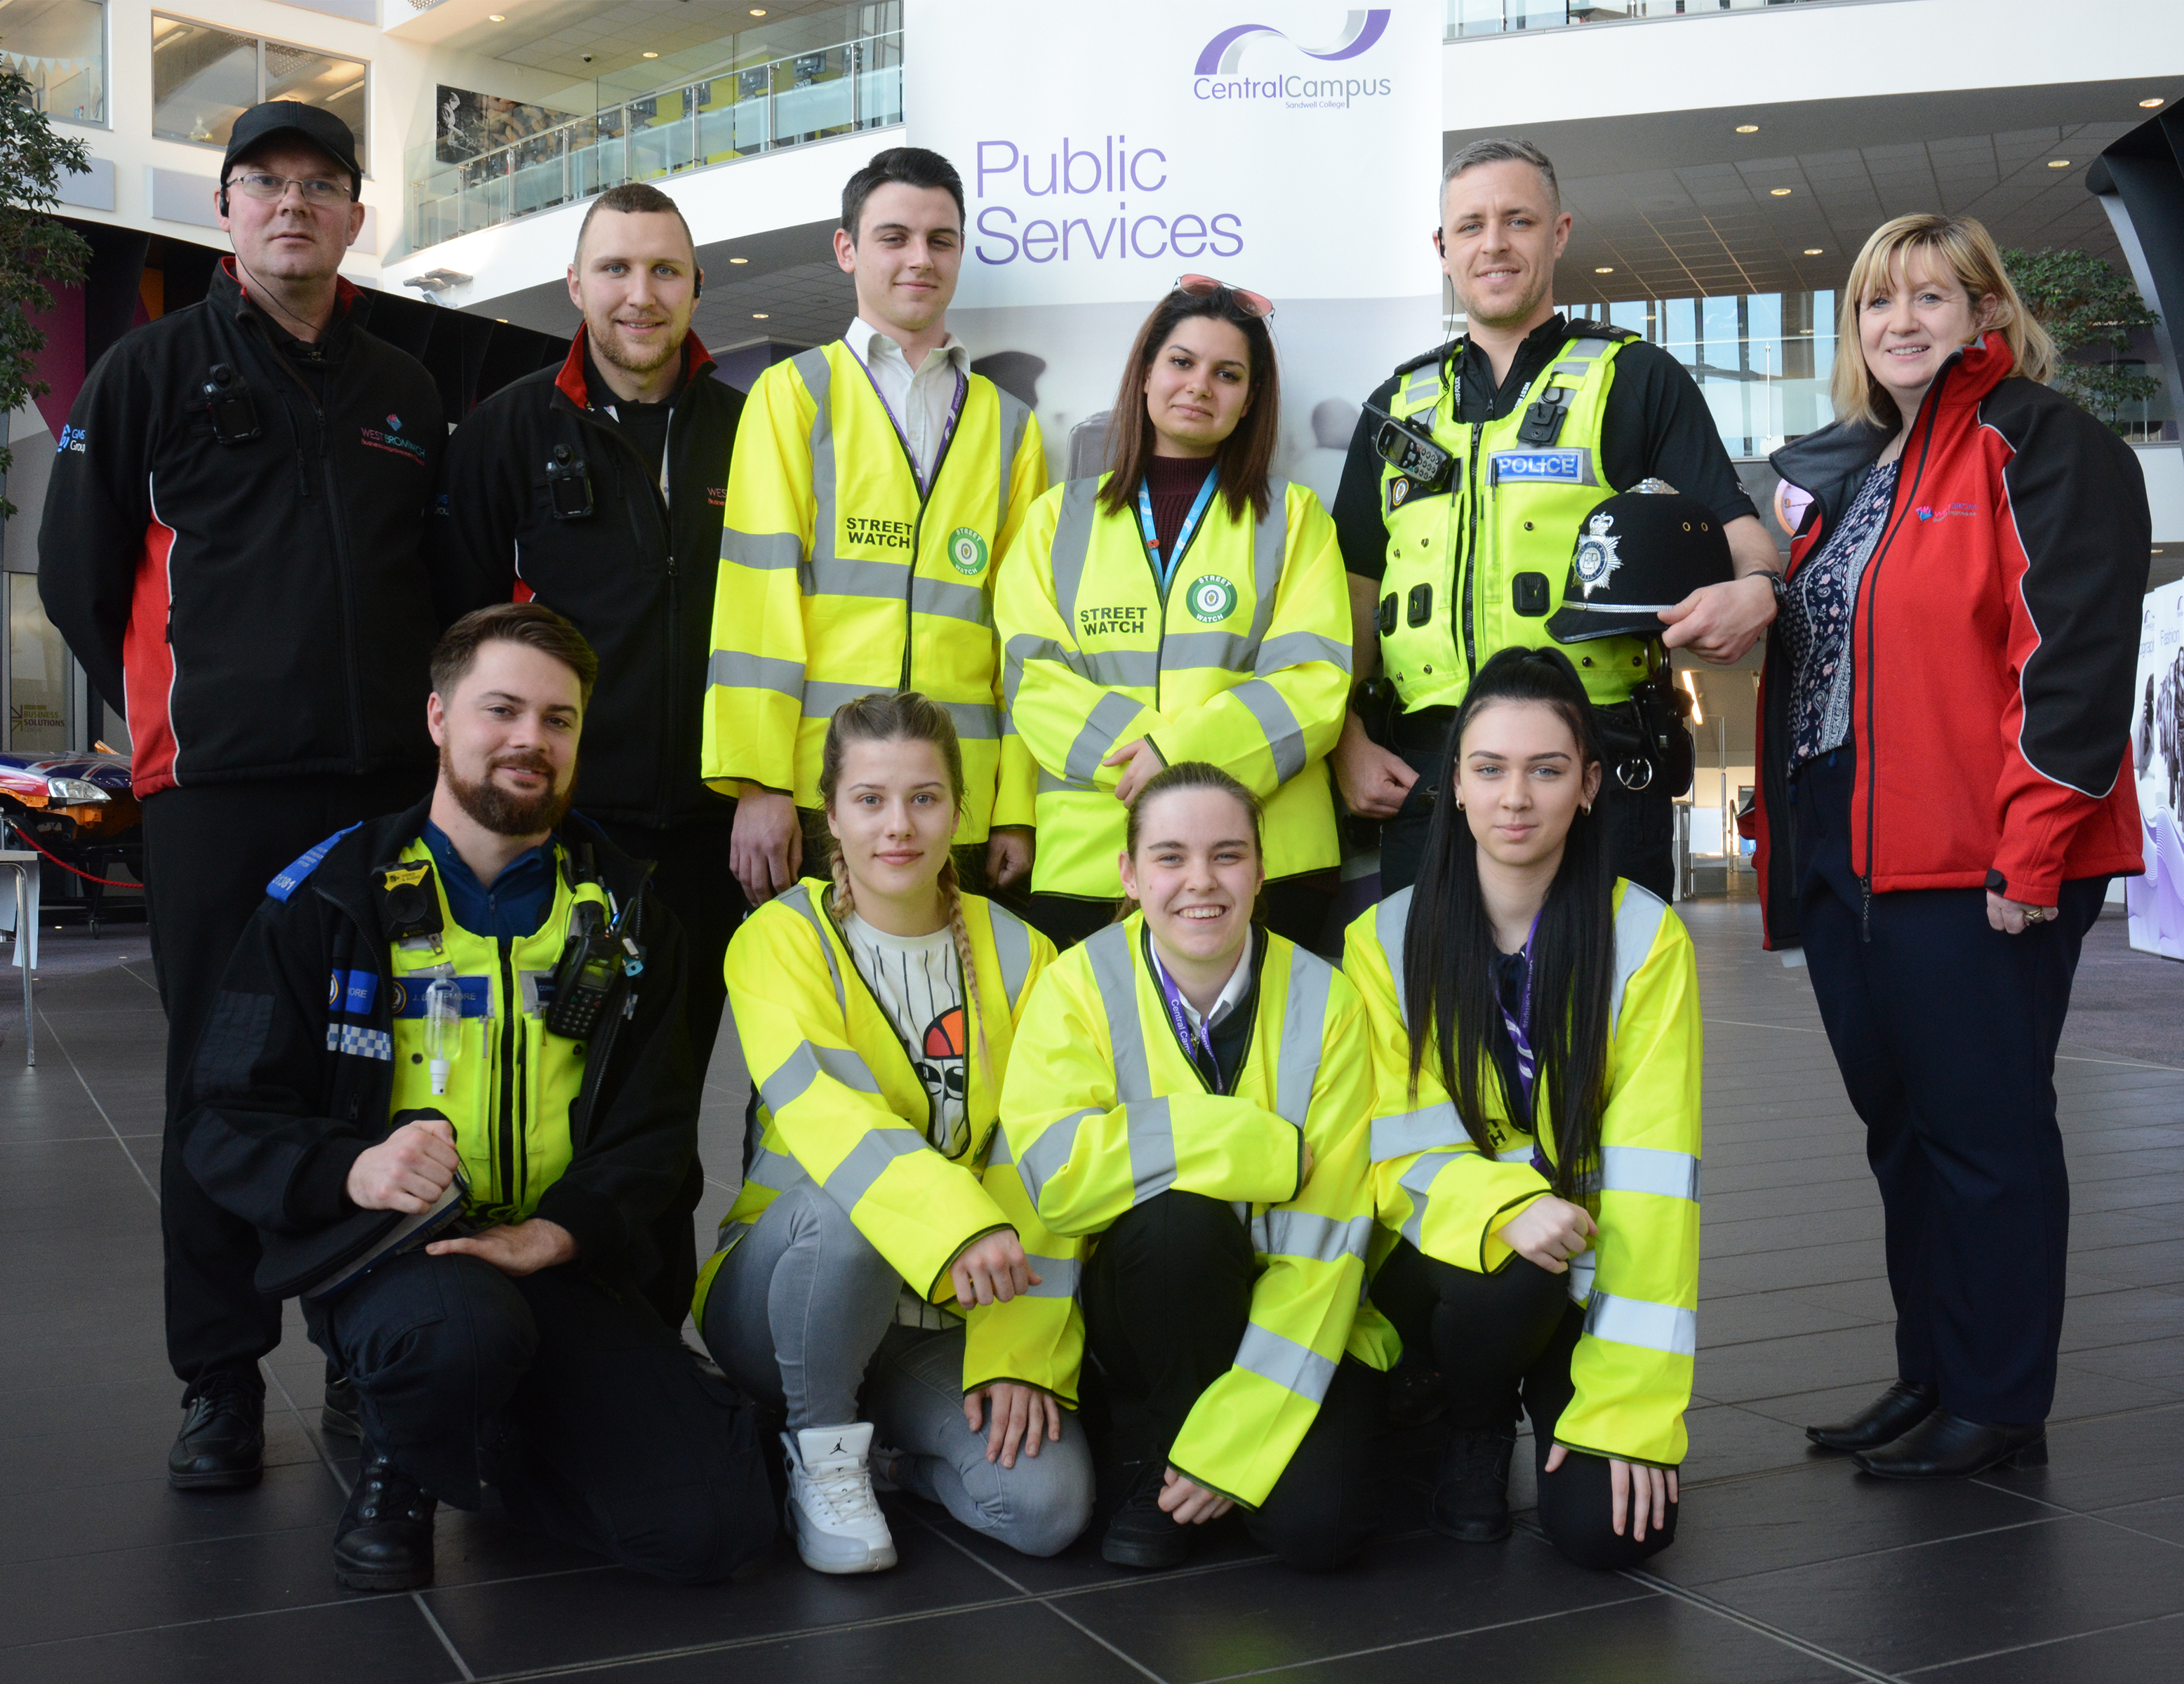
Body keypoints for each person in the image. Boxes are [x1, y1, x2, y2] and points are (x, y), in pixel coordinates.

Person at [178, 603, 772, 1591]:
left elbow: (656, 1132)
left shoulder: (631, 917)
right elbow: (223, 1114)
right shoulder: (325, 901)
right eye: (502, 710)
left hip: (562, 1261)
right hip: (399, 1260)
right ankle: (403, 1461)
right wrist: (353, 1169)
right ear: (439, 717)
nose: (529, 742)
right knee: (459, 1336)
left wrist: (560, 1235)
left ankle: (500, 1438)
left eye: (558, 721)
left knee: (714, 1528)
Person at [38, 99, 451, 1490]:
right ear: (225, 212)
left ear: (353, 212)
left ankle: (357, 1348)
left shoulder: (405, 383)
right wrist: (184, 714)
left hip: (386, 795)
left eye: (319, 186)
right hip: (215, 793)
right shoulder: (147, 373)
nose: (292, 206)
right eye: (263, 185)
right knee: (220, 1087)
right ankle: (218, 1381)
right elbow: (78, 580)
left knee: (368, 1073)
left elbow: (440, 591)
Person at [1752, 214, 2148, 1478]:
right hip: (1845, 861)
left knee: (1985, 1136)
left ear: (1987, 312)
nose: (1900, 322)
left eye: (1931, 296)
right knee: (1902, 1130)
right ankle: (1931, 1374)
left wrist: (2029, 853)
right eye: (1877, 303)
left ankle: (1999, 1400)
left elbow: (2074, 663)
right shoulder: (1863, 467)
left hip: (1975, 865)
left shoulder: (2041, 441)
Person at [434, 180, 746, 1327]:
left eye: (664, 269)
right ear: (576, 287)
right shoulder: (510, 429)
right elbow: (461, 632)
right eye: (615, 269)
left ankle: (650, 1345)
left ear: (695, 286)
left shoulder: (750, 426)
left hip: (720, 834)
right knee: (564, 1090)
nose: (639, 293)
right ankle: (541, 1333)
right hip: (569, 837)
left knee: (669, 1099)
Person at [698, 691, 1093, 1573]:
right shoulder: (780, 937)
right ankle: (823, 1448)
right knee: (852, 1213)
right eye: (870, 799)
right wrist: (959, 1222)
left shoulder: (1026, 955)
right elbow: (831, 1116)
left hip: (941, 1319)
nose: (899, 826)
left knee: (1046, 1509)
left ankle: (892, 1455)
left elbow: (1046, 1153)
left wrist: (1019, 1351)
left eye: (924, 797)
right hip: (785, 1290)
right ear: (829, 813)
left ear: (960, 808)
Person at [1329, 136, 1781, 900]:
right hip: (1427, 772)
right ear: (1442, 248)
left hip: (1592, 762)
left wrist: (1759, 590)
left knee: (1599, 1007)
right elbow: (1353, 601)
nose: (1493, 244)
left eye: (1518, 221)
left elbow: (1742, 536)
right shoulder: (1397, 406)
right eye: (1470, 226)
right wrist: (1344, 743)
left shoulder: (1635, 377)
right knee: (1428, 1013)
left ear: (1560, 232)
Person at [1346, 646, 1699, 1570]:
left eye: (1546, 771)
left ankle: (1526, 1389)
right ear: (1453, 784)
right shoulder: (1383, 941)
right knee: (1512, 1256)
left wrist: (1630, 1406)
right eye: (1489, 769)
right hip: (1435, 1271)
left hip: (1577, 1270)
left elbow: (1657, 1188)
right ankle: (1467, 1420)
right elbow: (1391, 1156)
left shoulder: (1643, 939)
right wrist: (1506, 1205)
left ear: (1588, 785)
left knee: (1610, 1531)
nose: (1515, 798)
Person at [995, 762, 1394, 1572]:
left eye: (1227, 855)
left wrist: (1236, 1440)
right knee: (1178, 1221)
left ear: (1259, 869)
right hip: (1148, 1300)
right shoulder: (1074, 985)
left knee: (1314, 1534)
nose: (1200, 882)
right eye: (1170, 857)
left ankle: (1202, 1452)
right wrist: (1254, 1147)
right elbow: (1057, 1175)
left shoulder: (1328, 1000)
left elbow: (1325, 1244)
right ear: (1130, 875)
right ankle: (1152, 1449)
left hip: (1294, 1309)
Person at [707, 147, 1046, 908]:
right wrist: (758, 783)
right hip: (824, 790)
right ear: (847, 249)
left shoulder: (1010, 426)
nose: (918, 259)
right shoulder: (793, 394)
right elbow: (757, 602)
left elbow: (1025, 639)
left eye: (940, 240)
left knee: (955, 1021)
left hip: (959, 794)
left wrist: (1017, 806)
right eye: (893, 237)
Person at [997, 280, 1350, 952]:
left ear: (1251, 401)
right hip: (1095, 860)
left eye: (1228, 374)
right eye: (1182, 363)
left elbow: (1315, 684)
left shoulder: (1297, 517)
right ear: (1146, 375)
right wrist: (1167, 762)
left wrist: (1176, 757)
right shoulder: (1054, 520)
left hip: (1266, 861)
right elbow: (1031, 681)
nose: (1200, 386)